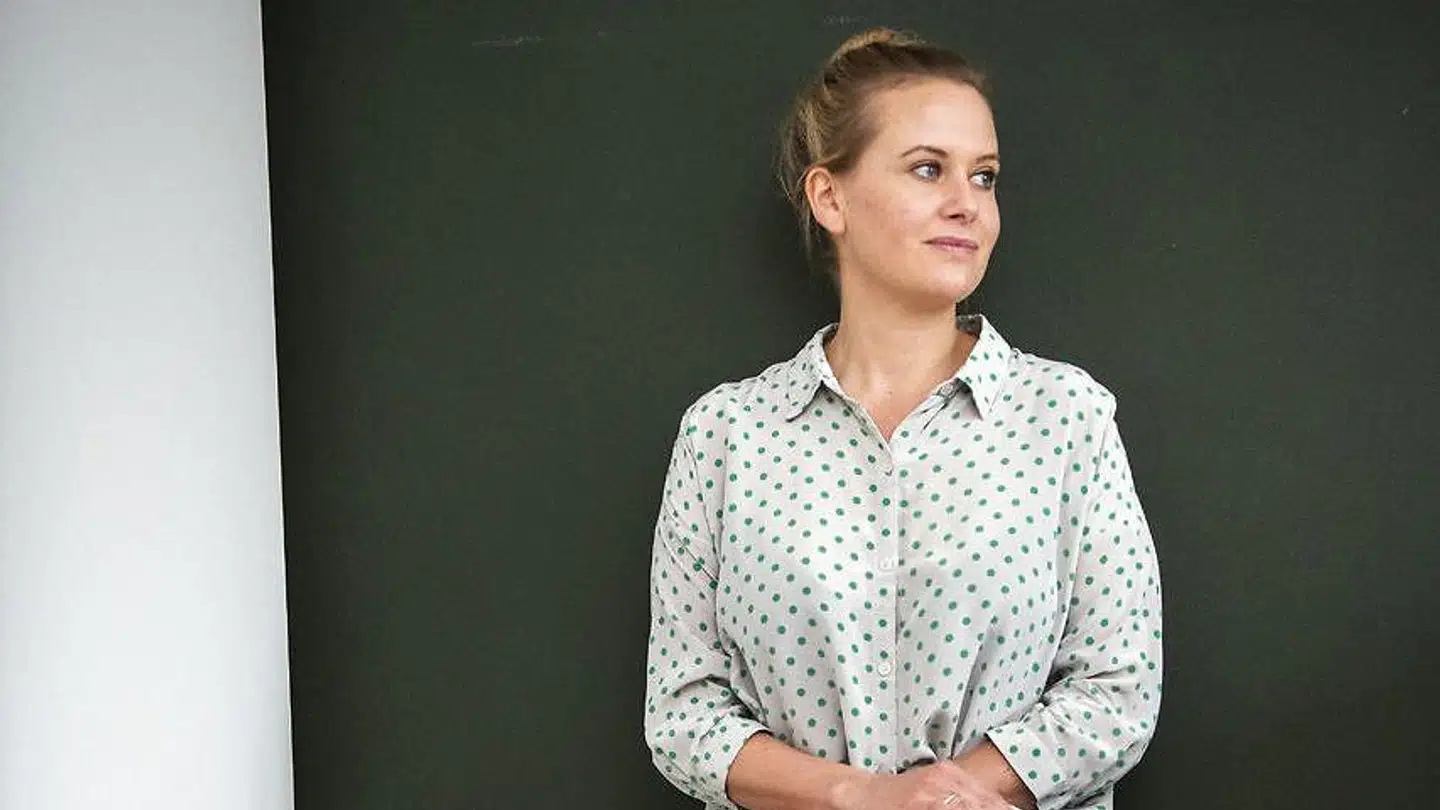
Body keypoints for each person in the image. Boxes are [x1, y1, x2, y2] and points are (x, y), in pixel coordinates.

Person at [643, 27, 1162, 810]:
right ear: (830, 197)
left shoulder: (1066, 418)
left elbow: (1119, 689)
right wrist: (860, 797)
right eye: (928, 168)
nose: (966, 203)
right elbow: (683, 714)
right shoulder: (725, 435)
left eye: (984, 176)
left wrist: (943, 798)